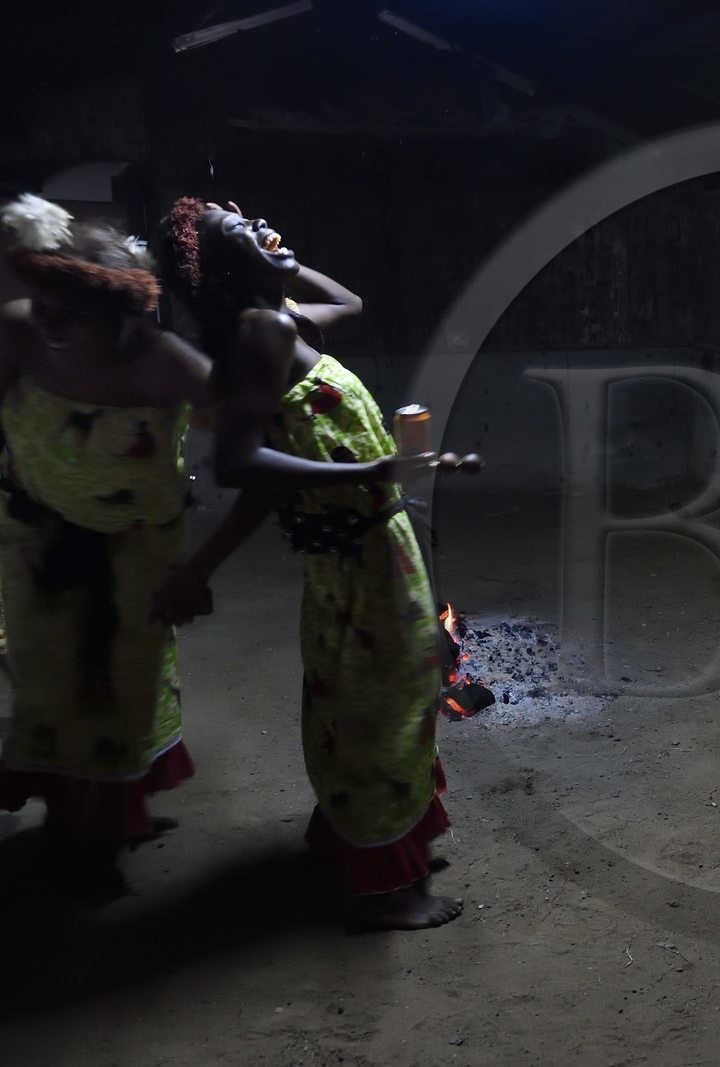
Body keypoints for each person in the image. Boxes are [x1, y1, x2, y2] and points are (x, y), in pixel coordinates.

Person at [153, 197, 459, 930]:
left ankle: (377, 844)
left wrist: (273, 259)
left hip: (372, 547)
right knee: (379, 710)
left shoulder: (280, 318)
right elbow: (238, 462)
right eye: (242, 232)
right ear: (223, 272)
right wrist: (376, 468)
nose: (264, 225)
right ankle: (387, 889)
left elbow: (347, 300)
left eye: (256, 218)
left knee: (382, 701)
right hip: (355, 556)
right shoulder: (264, 330)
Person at [0, 194, 211, 898]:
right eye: (45, 299)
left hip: (134, 558)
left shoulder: (165, 364)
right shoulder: (19, 332)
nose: (50, 318)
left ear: (122, 317)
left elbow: (250, 427)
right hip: (35, 542)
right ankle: (75, 822)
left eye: (73, 309)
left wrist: (200, 565)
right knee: (48, 685)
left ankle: (96, 835)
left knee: (117, 695)